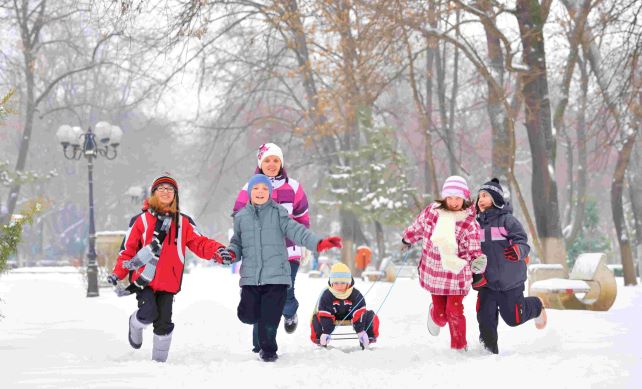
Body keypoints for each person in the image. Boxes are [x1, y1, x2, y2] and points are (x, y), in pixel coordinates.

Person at [107, 173, 233, 363]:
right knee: (148, 313)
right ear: (153, 193)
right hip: (144, 280)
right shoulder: (140, 221)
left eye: (170, 189)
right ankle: (135, 323)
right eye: (161, 188)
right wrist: (118, 274)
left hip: (169, 282)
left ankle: (159, 367)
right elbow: (127, 251)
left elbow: (200, 243)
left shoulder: (184, 222)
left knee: (164, 324)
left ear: (175, 195)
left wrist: (218, 251)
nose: (166, 192)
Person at [228, 174, 342, 362]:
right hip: (251, 277)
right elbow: (237, 243)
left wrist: (318, 244)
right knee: (247, 315)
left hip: (277, 277)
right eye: (256, 189)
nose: (260, 192)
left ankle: (269, 351)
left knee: (270, 319)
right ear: (249, 193)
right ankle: (260, 324)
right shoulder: (241, 217)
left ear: (270, 193)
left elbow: (297, 231)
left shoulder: (278, 213)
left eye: (265, 189)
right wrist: (231, 254)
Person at [401, 175, 487, 352]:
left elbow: (473, 248)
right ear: (444, 197)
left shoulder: (469, 222)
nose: (454, 202)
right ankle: (434, 312)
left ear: (464, 198)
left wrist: (477, 262)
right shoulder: (432, 212)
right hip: (435, 273)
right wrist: (407, 239)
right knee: (441, 316)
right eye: (450, 197)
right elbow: (418, 226)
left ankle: (459, 347)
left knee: (454, 311)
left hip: (457, 276)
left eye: (458, 198)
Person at [232, 143, 310, 336]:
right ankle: (261, 344)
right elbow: (239, 216)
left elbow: (302, 217)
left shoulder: (294, 187)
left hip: (288, 252)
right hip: (259, 254)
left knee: (286, 294)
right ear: (260, 163)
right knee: (261, 298)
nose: (272, 164)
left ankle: (290, 312)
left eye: (276, 160)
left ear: (281, 162)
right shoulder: (249, 188)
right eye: (267, 160)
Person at [474, 178, 547, 354]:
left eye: (485, 195)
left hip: (510, 281)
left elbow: (522, 241)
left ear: (496, 199)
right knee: (485, 318)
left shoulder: (507, 220)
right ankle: (488, 351)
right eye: (479, 196)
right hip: (487, 283)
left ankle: (536, 305)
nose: (480, 199)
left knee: (514, 318)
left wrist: (518, 250)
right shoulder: (474, 225)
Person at [310, 263, 379, 348]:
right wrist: (326, 332)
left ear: (348, 283)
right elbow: (325, 313)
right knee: (316, 317)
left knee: (370, 315)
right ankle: (320, 339)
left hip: (352, 316)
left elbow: (359, 311)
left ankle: (368, 337)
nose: (339, 286)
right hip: (332, 317)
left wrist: (360, 331)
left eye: (343, 282)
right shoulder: (327, 294)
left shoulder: (355, 294)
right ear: (331, 283)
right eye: (336, 283)